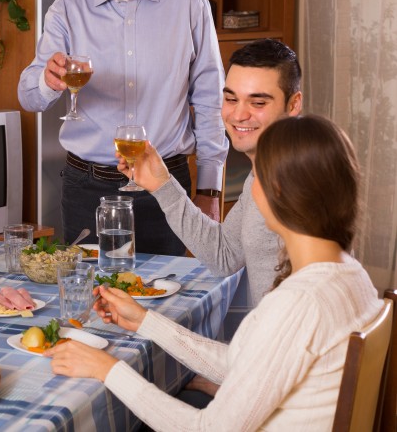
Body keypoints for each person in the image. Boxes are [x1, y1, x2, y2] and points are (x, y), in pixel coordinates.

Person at [45, 115, 381, 429]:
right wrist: (145, 320)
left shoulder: (299, 303)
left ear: (277, 191)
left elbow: (209, 428)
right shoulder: (350, 275)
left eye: (256, 174)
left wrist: (106, 369)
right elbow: (243, 364)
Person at [18, 0, 227, 255]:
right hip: (88, 189)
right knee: (92, 301)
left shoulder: (190, 4)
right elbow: (28, 96)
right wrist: (49, 81)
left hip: (166, 186)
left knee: (170, 301)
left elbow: (210, 100)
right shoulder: (67, 10)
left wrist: (209, 189)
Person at [119, 39, 302, 307]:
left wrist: (146, 323)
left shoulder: (298, 183)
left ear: (293, 104)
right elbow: (224, 255)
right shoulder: (266, 169)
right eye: (230, 99)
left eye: (258, 102)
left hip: (278, 345)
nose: (238, 114)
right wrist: (162, 184)